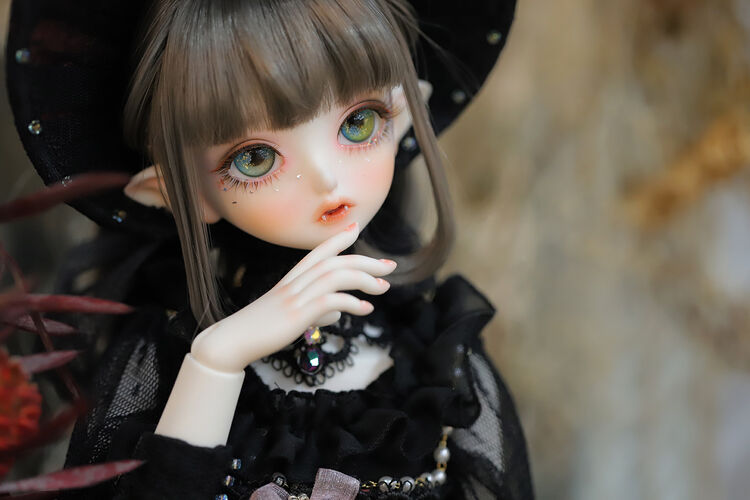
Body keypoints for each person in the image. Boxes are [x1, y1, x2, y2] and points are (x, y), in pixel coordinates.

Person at [6, 0, 533, 498]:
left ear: (405, 115)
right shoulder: (162, 360)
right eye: (254, 158)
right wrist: (215, 363)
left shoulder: (441, 361)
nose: (327, 178)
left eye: (360, 122)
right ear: (174, 192)